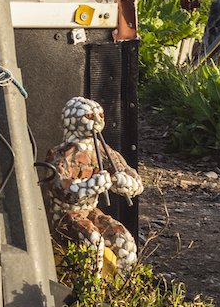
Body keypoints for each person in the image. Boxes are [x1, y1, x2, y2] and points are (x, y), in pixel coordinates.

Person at [40, 96, 144, 270]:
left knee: (124, 240)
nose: (97, 120)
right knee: (93, 240)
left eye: (101, 115)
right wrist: (92, 184)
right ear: (72, 119)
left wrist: (123, 182)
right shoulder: (59, 155)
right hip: (64, 217)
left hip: (90, 211)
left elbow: (136, 183)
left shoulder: (103, 151)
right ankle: (90, 289)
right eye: (89, 116)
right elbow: (63, 190)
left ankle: (120, 286)